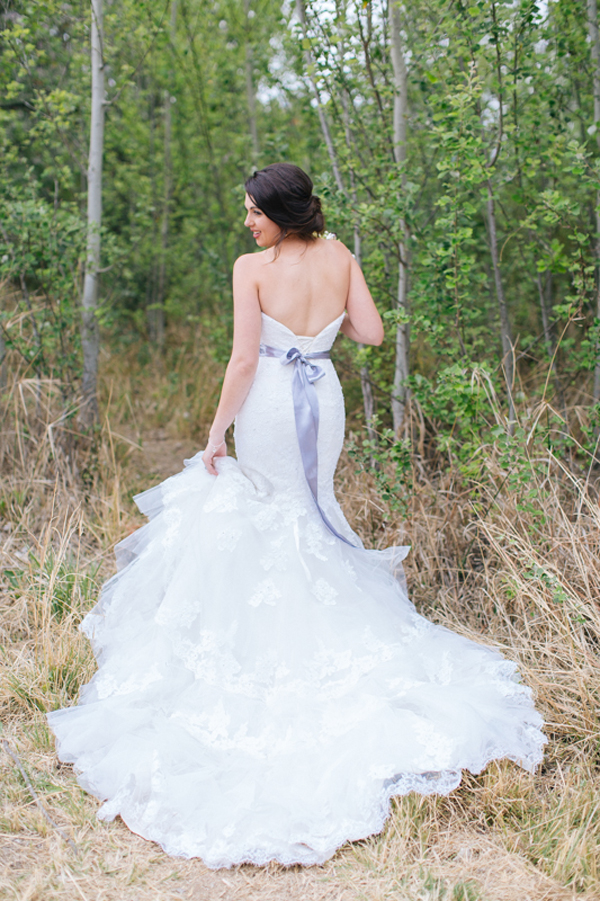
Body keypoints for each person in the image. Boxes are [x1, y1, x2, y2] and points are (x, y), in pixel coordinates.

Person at [47, 163, 545, 869]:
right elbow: (369, 332)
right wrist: (333, 293)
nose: (246, 221)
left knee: (274, 511)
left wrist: (216, 432)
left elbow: (244, 359)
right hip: (325, 397)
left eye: (254, 209)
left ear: (282, 211)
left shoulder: (251, 268)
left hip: (276, 404)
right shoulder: (340, 254)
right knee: (308, 510)